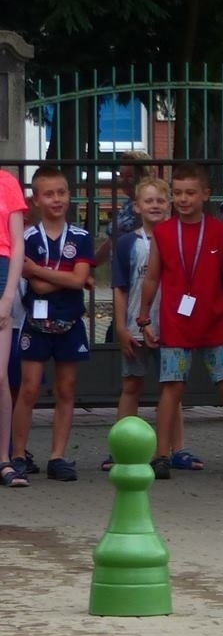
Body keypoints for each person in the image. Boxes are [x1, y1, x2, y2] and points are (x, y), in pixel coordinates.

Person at [136, 163, 223, 478]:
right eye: (178, 193)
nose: (183, 199)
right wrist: (144, 318)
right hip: (176, 324)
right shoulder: (164, 232)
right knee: (172, 387)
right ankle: (161, 455)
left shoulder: (219, 230)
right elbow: (152, 278)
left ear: (205, 194)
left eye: (190, 193)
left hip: (215, 324)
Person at [10, 168, 94, 482]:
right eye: (49, 194)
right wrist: (69, 279)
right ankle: (18, 454)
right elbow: (54, 284)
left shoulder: (82, 237)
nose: (56, 199)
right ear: (35, 200)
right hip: (36, 322)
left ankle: (57, 456)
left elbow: (79, 278)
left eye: (61, 192)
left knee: (66, 388)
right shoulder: (28, 238)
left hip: (70, 323)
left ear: (69, 196)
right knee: (29, 389)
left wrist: (42, 273)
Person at [108, 176, 173, 476]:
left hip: (170, 328)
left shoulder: (176, 238)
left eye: (160, 200)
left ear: (169, 204)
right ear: (137, 206)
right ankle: (121, 448)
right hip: (136, 325)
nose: (155, 206)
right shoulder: (126, 243)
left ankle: (173, 449)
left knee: (171, 389)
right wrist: (121, 327)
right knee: (131, 385)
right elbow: (119, 287)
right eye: (149, 201)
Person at [0, 168, 26, 488]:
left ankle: (3, 458)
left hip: (1, 271)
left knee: (1, 375)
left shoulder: (7, 182)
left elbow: (18, 244)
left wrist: (8, 296)